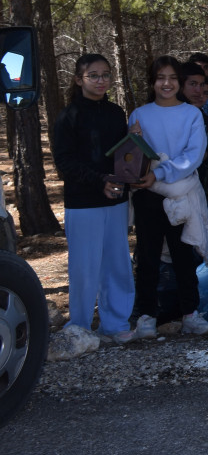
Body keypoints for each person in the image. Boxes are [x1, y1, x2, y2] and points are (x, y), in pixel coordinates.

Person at [49, 55, 137, 358]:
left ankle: (115, 323)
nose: (100, 81)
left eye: (105, 75)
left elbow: (121, 154)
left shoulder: (115, 112)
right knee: (84, 267)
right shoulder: (68, 116)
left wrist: (131, 160)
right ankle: (81, 325)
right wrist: (98, 179)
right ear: (78, 79)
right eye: (93, 75)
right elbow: (64, 162)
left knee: (117, 262)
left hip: (115, 199)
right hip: (83, 202)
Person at [129, 55, 208, 338]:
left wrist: (161, 173)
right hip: (147, 194)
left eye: (172, 78)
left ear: (179, 82)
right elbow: (132, 153)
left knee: (182, 256)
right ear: (152, 82)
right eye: (160, 78)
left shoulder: (192, 115)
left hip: (181, 193)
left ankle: (190, 313)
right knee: (149, 257)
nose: (167, 84)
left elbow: (193, 155)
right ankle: (146, 316)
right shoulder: (139, 114)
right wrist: (139, 154)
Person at [179, 62, 208, 200]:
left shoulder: (206, 120)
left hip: (199, 183)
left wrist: (204, 155)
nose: (199, 93)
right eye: (193, 85)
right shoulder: (172, 115)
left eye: (204, 91)